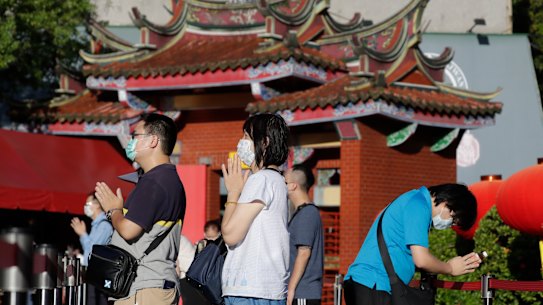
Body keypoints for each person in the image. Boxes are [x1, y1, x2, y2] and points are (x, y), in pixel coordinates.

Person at [94, 113, 186, 305]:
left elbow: (128, 230)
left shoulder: (155, 181)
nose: (130, 141)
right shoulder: (164, 178)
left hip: (145, 288)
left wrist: (113, 211)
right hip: (150, 287)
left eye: (136, 136)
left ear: (153, 140)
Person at [343, 183, 482, 305]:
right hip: (374, 285)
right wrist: (450, 267)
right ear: (448, 203)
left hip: (370, 284)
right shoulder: (419, 205)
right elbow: (421, 259)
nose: (449, 225)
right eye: (453, 220)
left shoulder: (413, 200)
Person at [221, 113, 290, 305]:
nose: (240, 142)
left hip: (251, 290)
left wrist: (233, 193)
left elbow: (230, 234)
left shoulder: (261, 179)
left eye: (246, 137)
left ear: (265, 142)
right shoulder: (276, 179)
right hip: (265, 289)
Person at [284, 165, 324, 305]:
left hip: (302, 293)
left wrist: (291, 288)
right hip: (299, 293)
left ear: (293, 186)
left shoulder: (307, 214)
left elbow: (304, 252)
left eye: (285, 182)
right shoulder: (301, 213)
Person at [70, 193, 113, 305]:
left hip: (99, 279)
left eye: (87, 204)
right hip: (94, 277)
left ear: (97, 204)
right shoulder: (97, 226)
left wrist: (83, 234)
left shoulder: (104, 226)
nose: (85, 207)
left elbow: (91, 254)